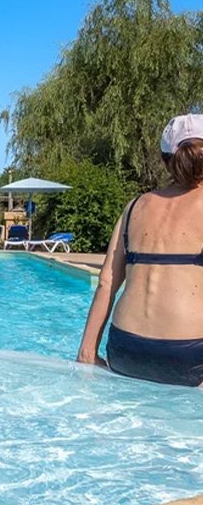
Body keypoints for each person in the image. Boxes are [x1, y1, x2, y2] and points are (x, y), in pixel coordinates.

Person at [77, 114, 203, 385]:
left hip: (126, 348)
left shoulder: (134, 206)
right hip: (189, 356)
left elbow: (106, 283)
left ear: (165, 159)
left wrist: (87, 352)